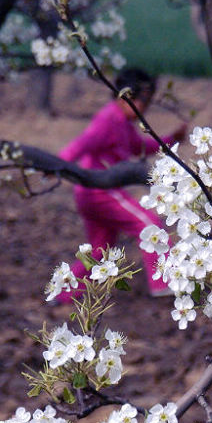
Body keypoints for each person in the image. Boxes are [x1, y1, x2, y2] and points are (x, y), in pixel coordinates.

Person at [56, 68, 187, 303]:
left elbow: (140, 147)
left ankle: (64, 294)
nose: (144, 108)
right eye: (142, 101)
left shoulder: (123, 123)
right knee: (149, 224)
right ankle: (164, 283)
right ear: (125, 97)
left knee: (99, 250)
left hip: (89, 195)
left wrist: (171, 140)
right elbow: (80, 145)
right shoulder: (108, 120)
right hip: (100, 192)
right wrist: (55, 166)